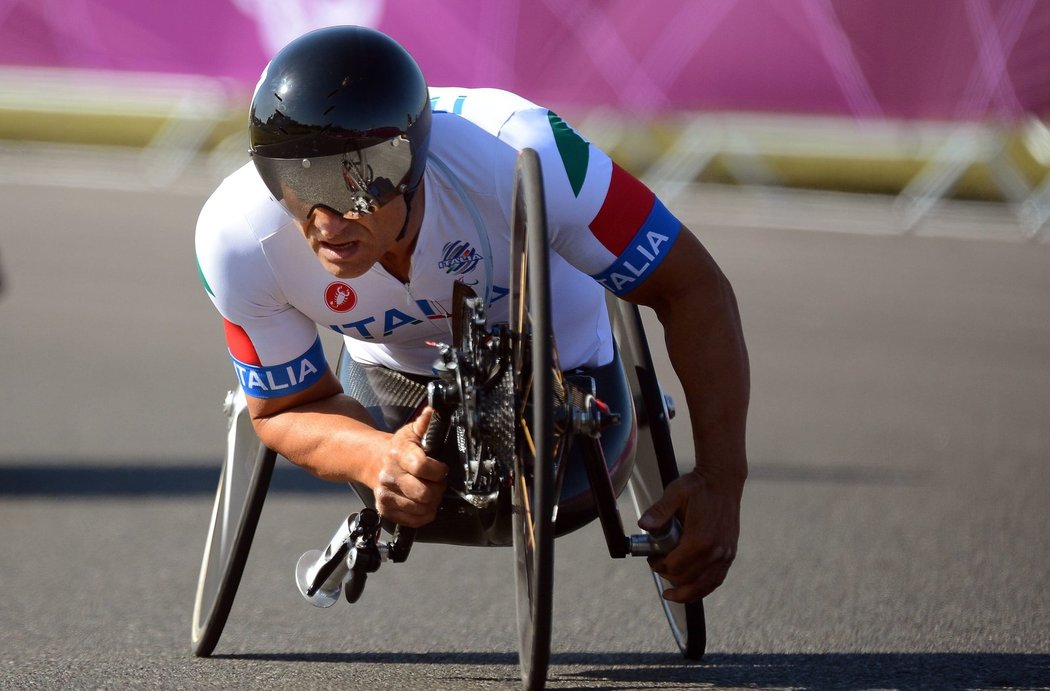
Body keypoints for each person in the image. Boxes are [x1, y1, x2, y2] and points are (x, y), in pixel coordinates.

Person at [195, 25, 749, 604]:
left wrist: (721, 480)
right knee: (420, 496)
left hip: (564, 349)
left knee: (571, 491)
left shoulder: (524, 148)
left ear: (411, 164)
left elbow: (694, 287)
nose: (328, 222)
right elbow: (284, 408)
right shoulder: (237, 235)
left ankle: (624, 408)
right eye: (300, 182)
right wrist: (373, 454)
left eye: (358, 185)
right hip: (395, 373)